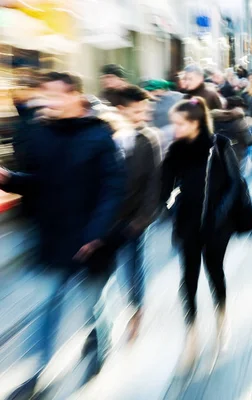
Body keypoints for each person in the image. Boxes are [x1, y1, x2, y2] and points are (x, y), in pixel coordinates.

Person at [0, 71, 124, 398]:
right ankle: (38, 373)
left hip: (89, 241)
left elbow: (112, 190)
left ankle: (103, 346)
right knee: (48, 307)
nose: (49, 102)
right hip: (54, 238)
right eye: (46, 95)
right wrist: (10, 179)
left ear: (75, 96)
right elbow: (40, 182)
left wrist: (96, 233)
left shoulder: (99, 136)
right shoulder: (43, 134)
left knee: (95, 305)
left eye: (56, 95)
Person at [161, 97, 252, 369]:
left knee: (215, 272)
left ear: (195, 122)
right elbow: (165, 190)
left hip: (216, 226)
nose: (174, 129)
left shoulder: (219, 145)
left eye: (179, 124)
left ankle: (221, 321)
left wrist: (219, 215)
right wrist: (172, 206)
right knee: (188, 279)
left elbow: (235, 183)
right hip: (187, 226)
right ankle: (191, 336)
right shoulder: (175, 151)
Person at [100, 85, 162, 342]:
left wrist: (143, 219)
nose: (143, 115)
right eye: (138, 111)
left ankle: (136, 310)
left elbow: (154, 183)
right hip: (106, 219)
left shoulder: (149, 139)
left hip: (134, 220)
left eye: (146, 110)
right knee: (104, 275)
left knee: (134, 269)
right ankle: (100, 330)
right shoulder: (104, 136)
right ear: (121, 110)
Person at [211, 96, 252, 169]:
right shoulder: (239, 120)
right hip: (236, 156)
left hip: (215, 155)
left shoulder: (212, 118)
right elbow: (249, 140)